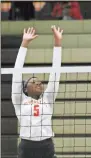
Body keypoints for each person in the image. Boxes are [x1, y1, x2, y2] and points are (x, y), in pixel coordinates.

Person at [11, 26, 63, 158]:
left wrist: (58, 43)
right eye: (33, 82)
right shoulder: (20, 99)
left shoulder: (47, 99)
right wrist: (24, 44)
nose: (38, 83)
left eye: (39, 82)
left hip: (46, 146)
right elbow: (16, 73)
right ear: (25, 89)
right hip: (27, 146)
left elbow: (55, 73)